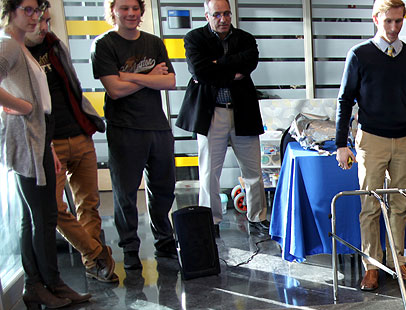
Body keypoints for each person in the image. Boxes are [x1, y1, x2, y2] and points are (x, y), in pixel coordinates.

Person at [335, 0, 406, 292]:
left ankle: (397, 262)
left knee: (400, 204)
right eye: (388, 21)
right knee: (370, 205)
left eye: (398, 21)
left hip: (404, 140)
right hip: (371, 140)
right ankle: (371, 266)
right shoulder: (360, 55)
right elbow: (344, 100)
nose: (393, 28)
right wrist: (341, 143)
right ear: (376, 19)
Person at [1, 0, 91, 309]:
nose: (34, 17)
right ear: (9, 10)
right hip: (27, 136)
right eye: (27, 10)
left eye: (36, 11)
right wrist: (22, 107)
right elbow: (26, 100)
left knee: (35, 216)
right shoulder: (9, 45)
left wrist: (47, 143)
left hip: (37, 136)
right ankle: (51, 284)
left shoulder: (17, 45)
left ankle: (37, 285)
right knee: (44, 215)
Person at [25, 6, 117, 284]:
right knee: (54, 208)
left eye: (47, 20)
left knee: (88, 204)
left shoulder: (55, 45)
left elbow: (71, 88)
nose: (43, 26)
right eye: (39, 20)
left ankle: (94, 264)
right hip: (49, 143)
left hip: (79, 134)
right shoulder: (17, 52)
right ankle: (97, 252)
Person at [91, 0, 178, 272]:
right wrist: (149, 76)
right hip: (124, 128)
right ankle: (129, 248)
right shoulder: (104, 45)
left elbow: (170, 82)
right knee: (125, 194)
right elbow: (114, 90)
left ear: (141, 11)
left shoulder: (154, 42)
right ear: (113, 11)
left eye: (135, 8)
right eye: (124, 8)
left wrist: (130, 76)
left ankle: (164, 240)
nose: (130, 13)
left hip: (157, 126)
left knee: (163, 190)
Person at [176, 0, 267, 234]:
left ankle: (257, 217)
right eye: (217, 15)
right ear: (207, 16)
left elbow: (249, 63)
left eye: (227, 13)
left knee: (253, 170)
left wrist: (216, 65)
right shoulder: (194, 39)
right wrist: (230, 72)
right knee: (209, 172)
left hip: (242, 110)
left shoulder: (245, 39)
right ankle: (211, 220)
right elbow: (198, 70)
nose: (223, 19)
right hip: (211, 111)